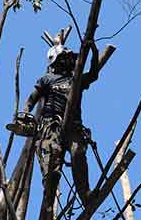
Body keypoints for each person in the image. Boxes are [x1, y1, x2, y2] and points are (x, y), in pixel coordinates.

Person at [18, 43, 95, 200]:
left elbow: (93, 74)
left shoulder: (76, 79)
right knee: (52, 156)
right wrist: (24, 113)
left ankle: (85, 194)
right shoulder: (48, 79)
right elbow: (32, 98)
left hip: (74, 127)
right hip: (51, 126)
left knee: (78, 154)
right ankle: (50, 187)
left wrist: (94, 51)